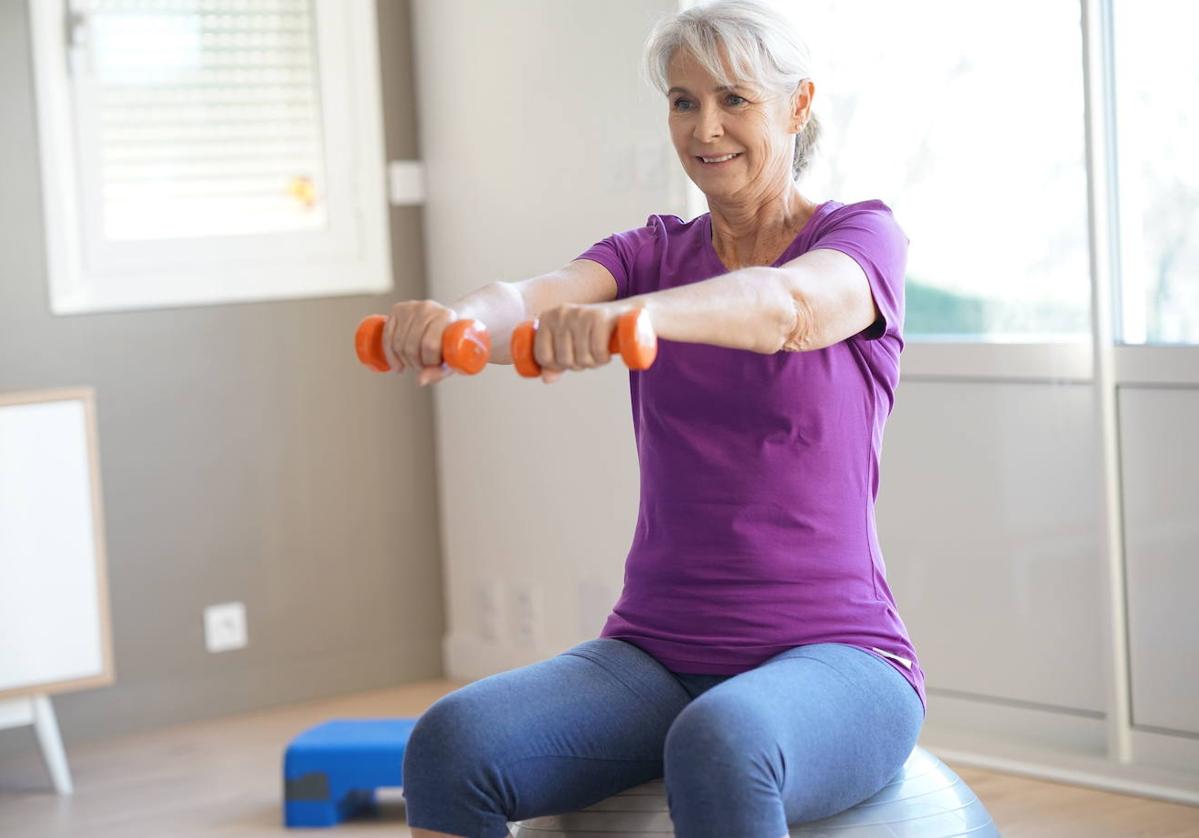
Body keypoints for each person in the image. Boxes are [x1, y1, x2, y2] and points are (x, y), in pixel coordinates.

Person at [393, 2, 924, 836]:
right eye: (683, 101)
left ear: (796, 104)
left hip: (839, 658)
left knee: (724, 739)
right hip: (655, 653)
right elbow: (530, 302)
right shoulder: (649, 252)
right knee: (451, 741)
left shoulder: (859, 239)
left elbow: (784, 307)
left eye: (733, 99)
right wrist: (450, 322)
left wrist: (634, 321)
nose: (705, 127)